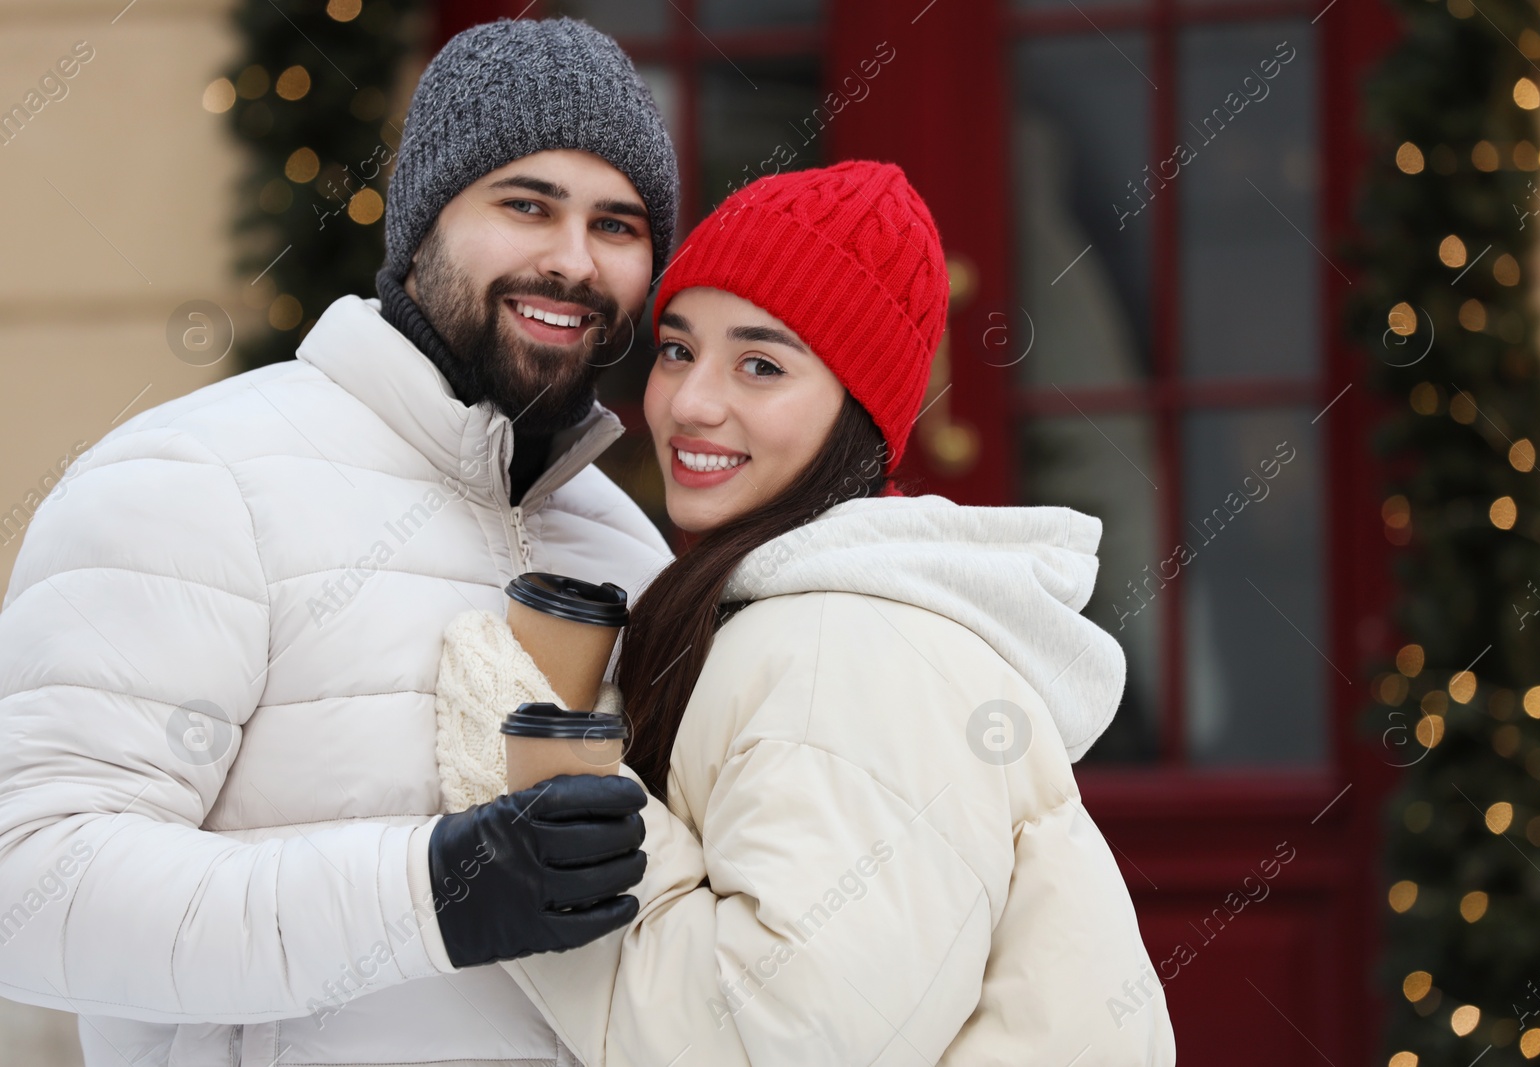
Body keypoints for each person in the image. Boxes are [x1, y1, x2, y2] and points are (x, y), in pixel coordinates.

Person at [0, 18, 676, 1067]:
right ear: (421, 223)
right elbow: (28, 889)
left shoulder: (629, 550)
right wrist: (430, 892)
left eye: (618, 225)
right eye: (525, 204)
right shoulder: (195, 481)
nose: (573, 261)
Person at [432, 161, 1179, 1064]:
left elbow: (771, 1044)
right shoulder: (800, 618)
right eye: (677, 348)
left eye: (760, 363)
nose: (693, 403)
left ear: (856, 410)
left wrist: (540, 796)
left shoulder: (843, 652)